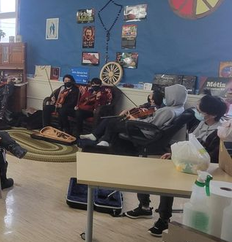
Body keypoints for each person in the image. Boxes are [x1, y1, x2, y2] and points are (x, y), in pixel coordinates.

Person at [125, 93, 227, 237]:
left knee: (168, 183)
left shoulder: (220, 132)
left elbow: (209, 158)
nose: (196, 111)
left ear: (211, 114)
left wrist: (186, 158)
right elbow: (189, 144)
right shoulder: (202, 123)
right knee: (152, 172)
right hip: (188, 164)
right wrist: (174, 154)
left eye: (200, 110)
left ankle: (163, 218)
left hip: (204, 171)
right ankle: (144, 206)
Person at [96, 84, 188, 150]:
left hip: (146, 132)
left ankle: (105, 142)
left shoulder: (168, 111)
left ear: (174, 96)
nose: (166, 98)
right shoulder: (179, 108)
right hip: (152, 130)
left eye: (167, 95)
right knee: (117, 124)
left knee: (113, 123)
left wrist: (135, 119)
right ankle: (109, 143)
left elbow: (151, 124)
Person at [79, 89, 164, 145]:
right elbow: (137, 108)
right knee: (110, 119)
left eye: (150, 95)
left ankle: (104, 140)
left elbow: (147, 120)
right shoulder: (147, 104)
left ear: (154, 98)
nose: (149, 96)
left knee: (112, 122)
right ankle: (95, 135)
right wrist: (126, 111)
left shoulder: (156, 109)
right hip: (132, 119)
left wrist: (134, 118)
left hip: (137, 125)